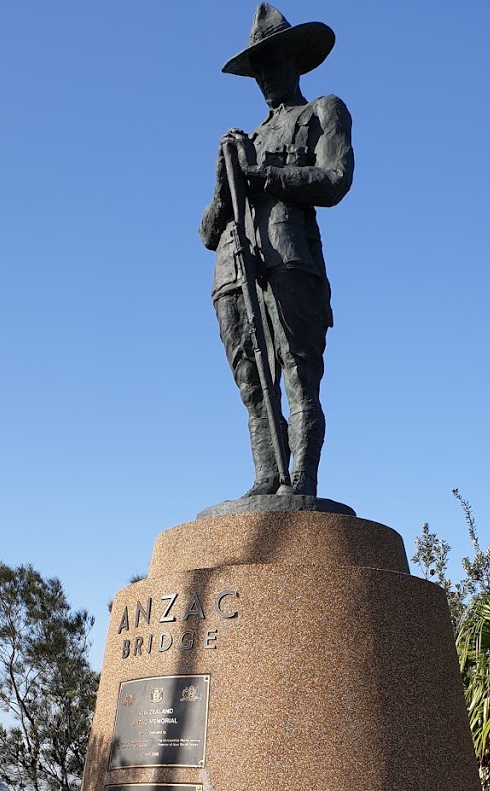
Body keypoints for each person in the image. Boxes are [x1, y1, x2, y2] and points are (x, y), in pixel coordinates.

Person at [200, 4, 354, 499]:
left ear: (296, 62)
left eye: (273, 63)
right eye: (258, 68)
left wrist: (261, 175)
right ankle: (268, 476)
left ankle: (301, 483)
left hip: (290, 257)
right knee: (251, 381)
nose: (265, 76)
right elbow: (205, 231)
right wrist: (227, 184)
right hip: (233, 266)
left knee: (298, 372)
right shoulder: (245, 139)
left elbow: (335, 180)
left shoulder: (322, 111)